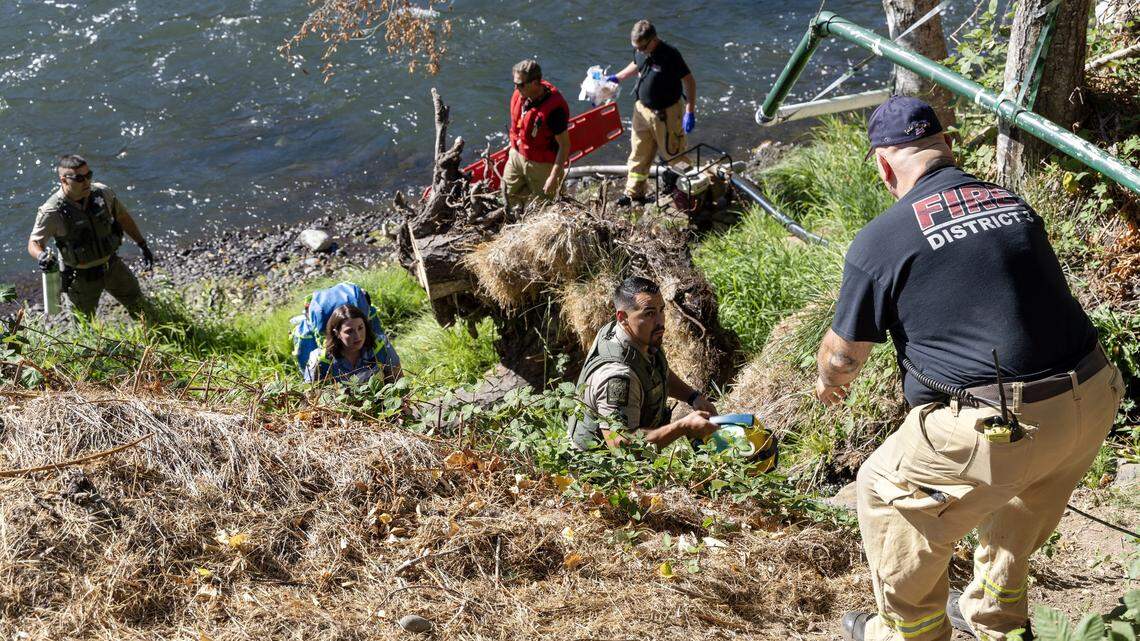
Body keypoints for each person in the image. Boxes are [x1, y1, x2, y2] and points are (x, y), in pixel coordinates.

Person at [813, 96, 1124, 641]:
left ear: (885, 165)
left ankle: (911, 632)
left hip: (1004, 423)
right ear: (945, 146)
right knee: (1024, 502)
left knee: (883, 490)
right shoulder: (1011, 202)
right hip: (1094, 397)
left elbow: (844, 356)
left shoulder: (881, 239)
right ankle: (998, 619)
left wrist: (828, 382)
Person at [567, 276, 719, 450]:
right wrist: (682, 427)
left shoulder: (641, 336)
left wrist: (693, 397)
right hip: (596, 470)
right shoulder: (617, 377)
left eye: (661, 310)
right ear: (622, 317)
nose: (661, 321)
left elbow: (656, 371)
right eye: (649, 313)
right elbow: (621, 446)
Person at [27, 155, 155, 319]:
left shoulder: (102, 194)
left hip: (113, 266)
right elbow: (34, 243)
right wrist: (41, 255)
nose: (86, 182)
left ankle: (154, 337)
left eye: (89, 175)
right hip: (80, 279)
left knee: (140, 306)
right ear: (64, 180)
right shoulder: (52, 211)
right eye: (79, 178)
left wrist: (142, 244)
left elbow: (123, 218)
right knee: (83, 324)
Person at [606, 20, 697, 207]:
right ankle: (634, 193)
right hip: (641, 111)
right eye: (635, 47)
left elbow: (689, 82)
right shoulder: (640, 51)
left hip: (667, 114)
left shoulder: (670, 55)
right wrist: (619, 77)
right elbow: (636, 64)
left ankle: (688, 192)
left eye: (642, 47)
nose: (639, 50)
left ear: (654, 40)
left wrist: (690, 111)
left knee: (674, 154)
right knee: (639, 152)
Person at [503, 59, 571, 208]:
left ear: (534, 83)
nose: (516, 87)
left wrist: (553, 177)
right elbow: (519, 125)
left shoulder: (554, 111)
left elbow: (564, 146)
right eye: (515, 83)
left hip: (541, 165)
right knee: (507, 196)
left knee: (550, 206)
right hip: (517, 155)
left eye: (520, 84)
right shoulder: (520, 95)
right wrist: (512, 144)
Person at [305, 304, 402, 384]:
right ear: (337, 333)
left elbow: (397, 379)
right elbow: (311, 396)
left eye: (360, 328)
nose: (358, 336)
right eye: (349, 331)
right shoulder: (320, 360)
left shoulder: (380, 346)